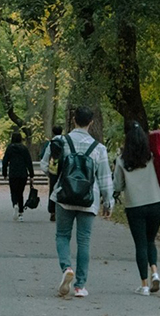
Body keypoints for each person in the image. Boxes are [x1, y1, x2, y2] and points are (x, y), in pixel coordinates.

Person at [52, 106, 113, 299]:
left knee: (62, 235)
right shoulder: (99, 149)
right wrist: (108, 202)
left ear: (73, 120)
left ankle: (66, 267)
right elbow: (104, 178)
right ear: (91, 123)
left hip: (64, 197)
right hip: (89, 199)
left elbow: (47, 165)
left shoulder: (61, 142)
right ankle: (80, 286)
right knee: (83, 241)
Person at [113, 121, 160, 296]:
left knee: (140, 244)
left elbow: (118, 185)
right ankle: (155, 272)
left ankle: (144, 285)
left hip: (135, 206)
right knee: (151, 240)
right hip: (156, 203)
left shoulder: (121, 160)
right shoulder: (152, 156)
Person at [2, 132, 34, 222]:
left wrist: (4, 173)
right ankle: (21, 213)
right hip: (23, 173)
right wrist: (32, 175)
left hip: (13, 173)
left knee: (13, 191)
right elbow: (29, 162)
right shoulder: (24, 148)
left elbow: (5, 161)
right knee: (21, 192)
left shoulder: (10, 148)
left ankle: (15, 204)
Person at [39, 126, 65, 222]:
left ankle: (52, 211)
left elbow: (45, 159)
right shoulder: (66, 142)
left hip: (54, 169)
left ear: (53, 132)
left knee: (52, 189)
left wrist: (47, 172)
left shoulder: (51, 144)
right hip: (65, 169)